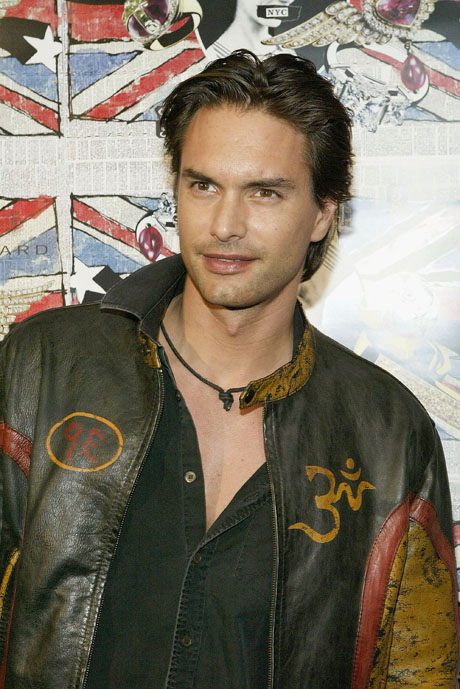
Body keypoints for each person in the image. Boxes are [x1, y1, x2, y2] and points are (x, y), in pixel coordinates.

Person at [0, 50, 458, 689]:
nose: (224, 225)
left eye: (264, 192)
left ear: (323, 213)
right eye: (203, 185)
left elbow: (418, 673)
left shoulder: (388, 434)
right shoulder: (42, 366)